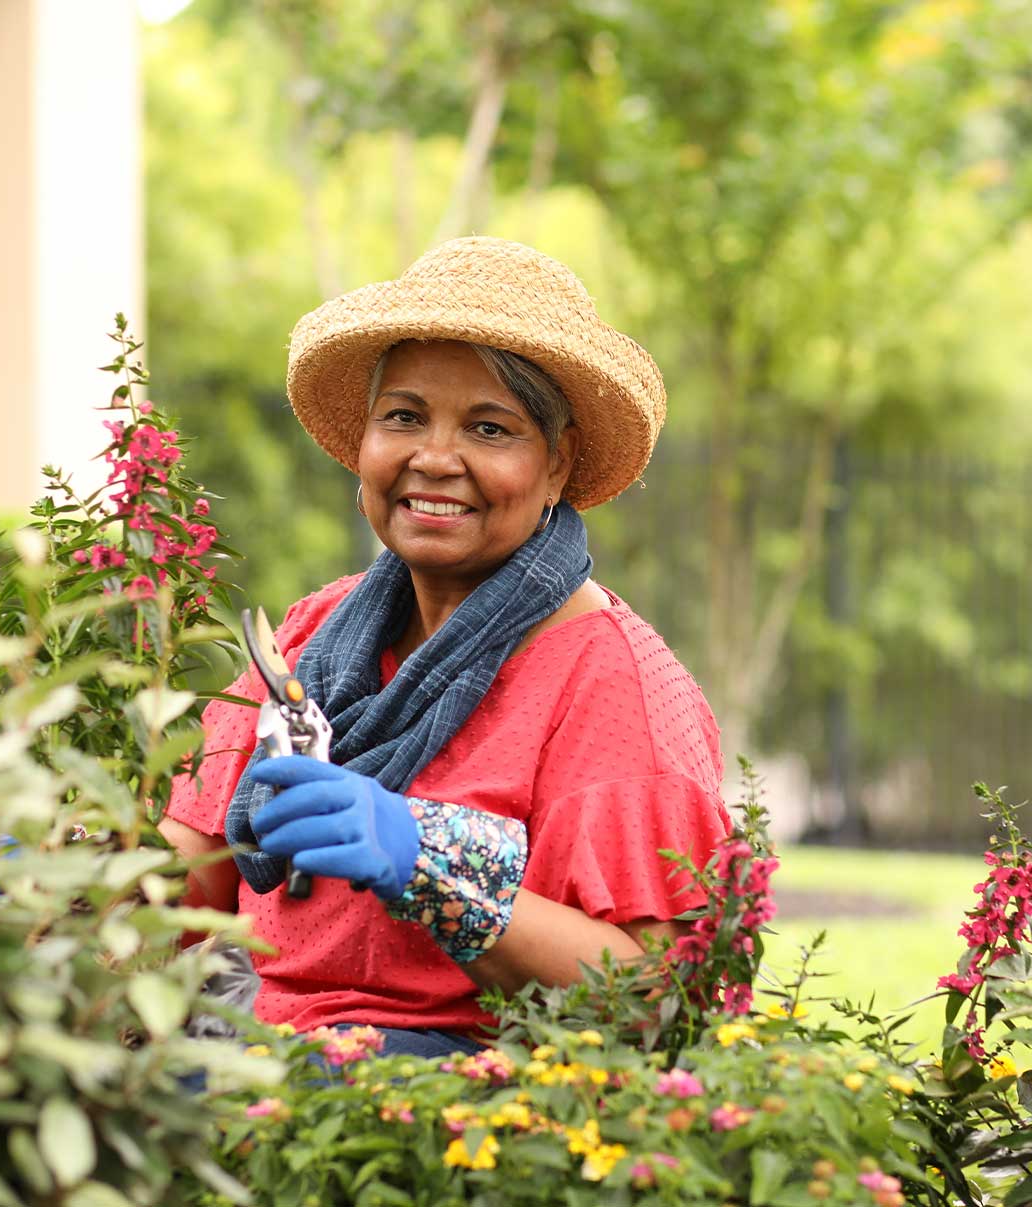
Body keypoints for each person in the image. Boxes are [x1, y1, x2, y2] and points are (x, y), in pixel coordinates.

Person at [161, 237, 732, 1059]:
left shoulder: (613, 683)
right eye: (402, 416)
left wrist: (427, 861)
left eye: (489, 428)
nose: (433, 457)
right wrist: (43, 869)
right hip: (258, 1058)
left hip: (456, 1113)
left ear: (558, 462)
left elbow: (653, 995)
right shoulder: (310, 635)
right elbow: (191, 873)